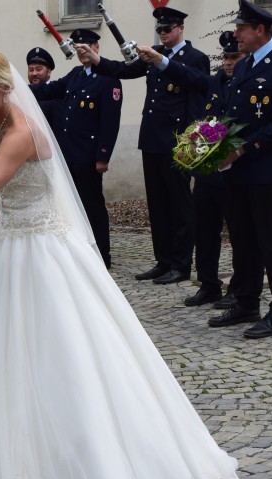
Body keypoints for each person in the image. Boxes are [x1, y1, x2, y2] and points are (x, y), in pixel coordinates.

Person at [0, 50, 238, 479]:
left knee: (62, 347)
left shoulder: (20, 131)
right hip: (8, 243)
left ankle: (88, 463)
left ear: (5, 88)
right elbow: (2, 191)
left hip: (43, 247)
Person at [80, 5, 208, 285]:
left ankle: (181, 264)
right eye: (159, 29)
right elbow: (123, 71)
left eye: (168, 29)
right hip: (152, 139)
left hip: (178, 142)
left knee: (180, 205)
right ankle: (163, 261)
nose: (163, 33)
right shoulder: (152, 56)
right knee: (158, 205)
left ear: (180, 29)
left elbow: (196, 91)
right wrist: (96, 59)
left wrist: (190, 142)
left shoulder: (194, 58)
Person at [207, 0, 272, 338]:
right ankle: (247, 301)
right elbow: (233, 114)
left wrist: (244, 149)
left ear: (259, 30)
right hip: (238, 170)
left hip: (264, 169)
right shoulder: (246, 65)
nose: (236, 35)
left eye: (241, 29)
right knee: (243, 239)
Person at [142, 30, 246, 307]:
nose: (228, 62)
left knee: (239, 235)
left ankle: (239, 289)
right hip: (208, 174)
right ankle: (208, 285)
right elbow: (187, 80)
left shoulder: (248, 87)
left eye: (234, 56)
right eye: (225, 56)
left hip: (235, 174)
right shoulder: (213, 84)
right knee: (205, 232)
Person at [31, 29, 122, 268]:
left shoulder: (108, 78)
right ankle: (81, 250)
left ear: (96, 48)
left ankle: (102, 253)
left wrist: (103, 156)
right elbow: (49, 90)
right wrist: (16, 87)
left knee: (92, 204)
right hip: (69, 153)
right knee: (72, 205)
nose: (81, 51)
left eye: (86, 46)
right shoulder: (75, 74)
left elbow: (110, 122)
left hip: (89, 155)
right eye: (78, 47)